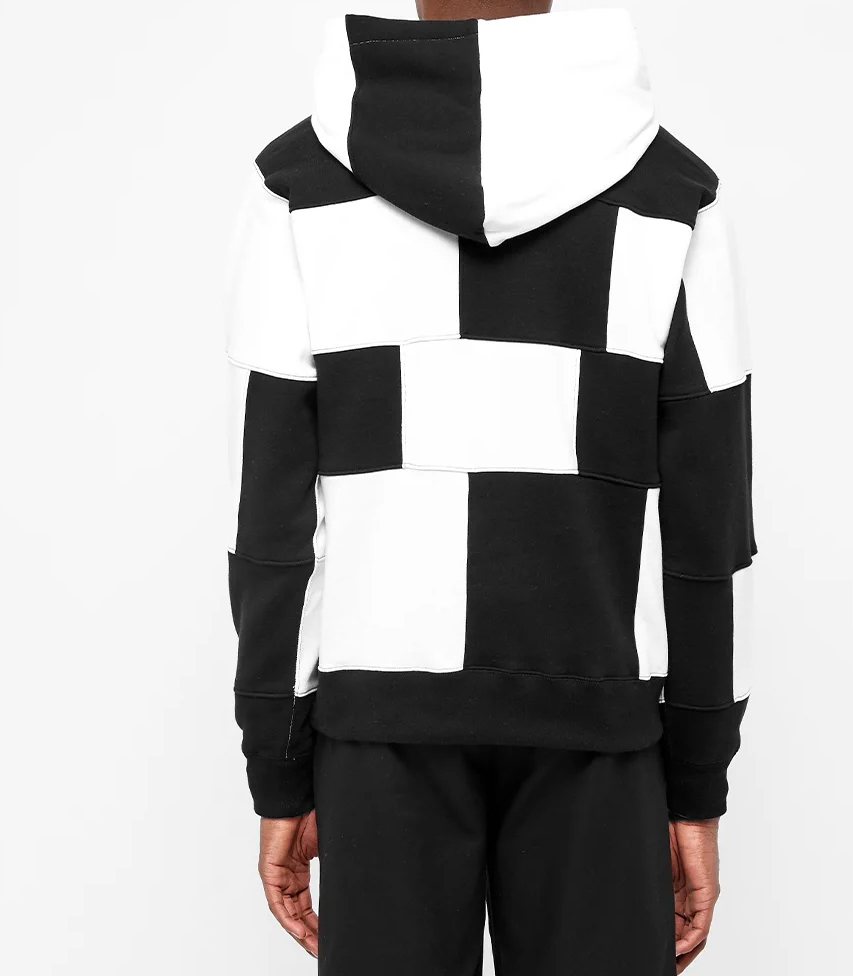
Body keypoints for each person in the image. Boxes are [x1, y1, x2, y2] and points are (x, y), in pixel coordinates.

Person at [225, 1, 756, 972]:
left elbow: (272, 519)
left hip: (380, 729)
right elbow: (707, 531)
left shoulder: (301, 186)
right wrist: (695, 779)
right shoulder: (671, 193)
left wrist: (279, 759)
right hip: (597, 721)